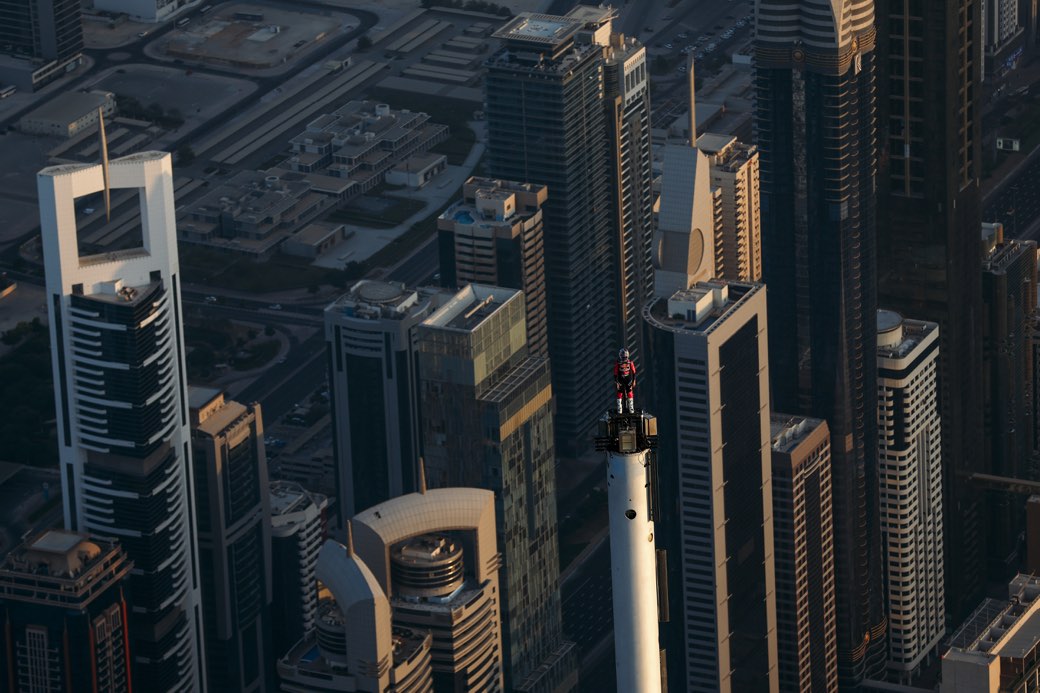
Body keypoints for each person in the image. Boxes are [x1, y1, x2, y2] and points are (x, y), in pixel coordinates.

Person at [614, 348, 636, 414]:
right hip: (620, 380)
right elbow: (615, 373)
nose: (624, 359)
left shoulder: (630, 362)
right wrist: (616, 382)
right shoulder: (618, 363)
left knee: (630, 393)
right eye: (623, 357)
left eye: (625, 357)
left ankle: (631, 408)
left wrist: (634, 380)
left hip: (628, 380)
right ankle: (619, 409)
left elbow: (634, 372)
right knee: (619, 393)